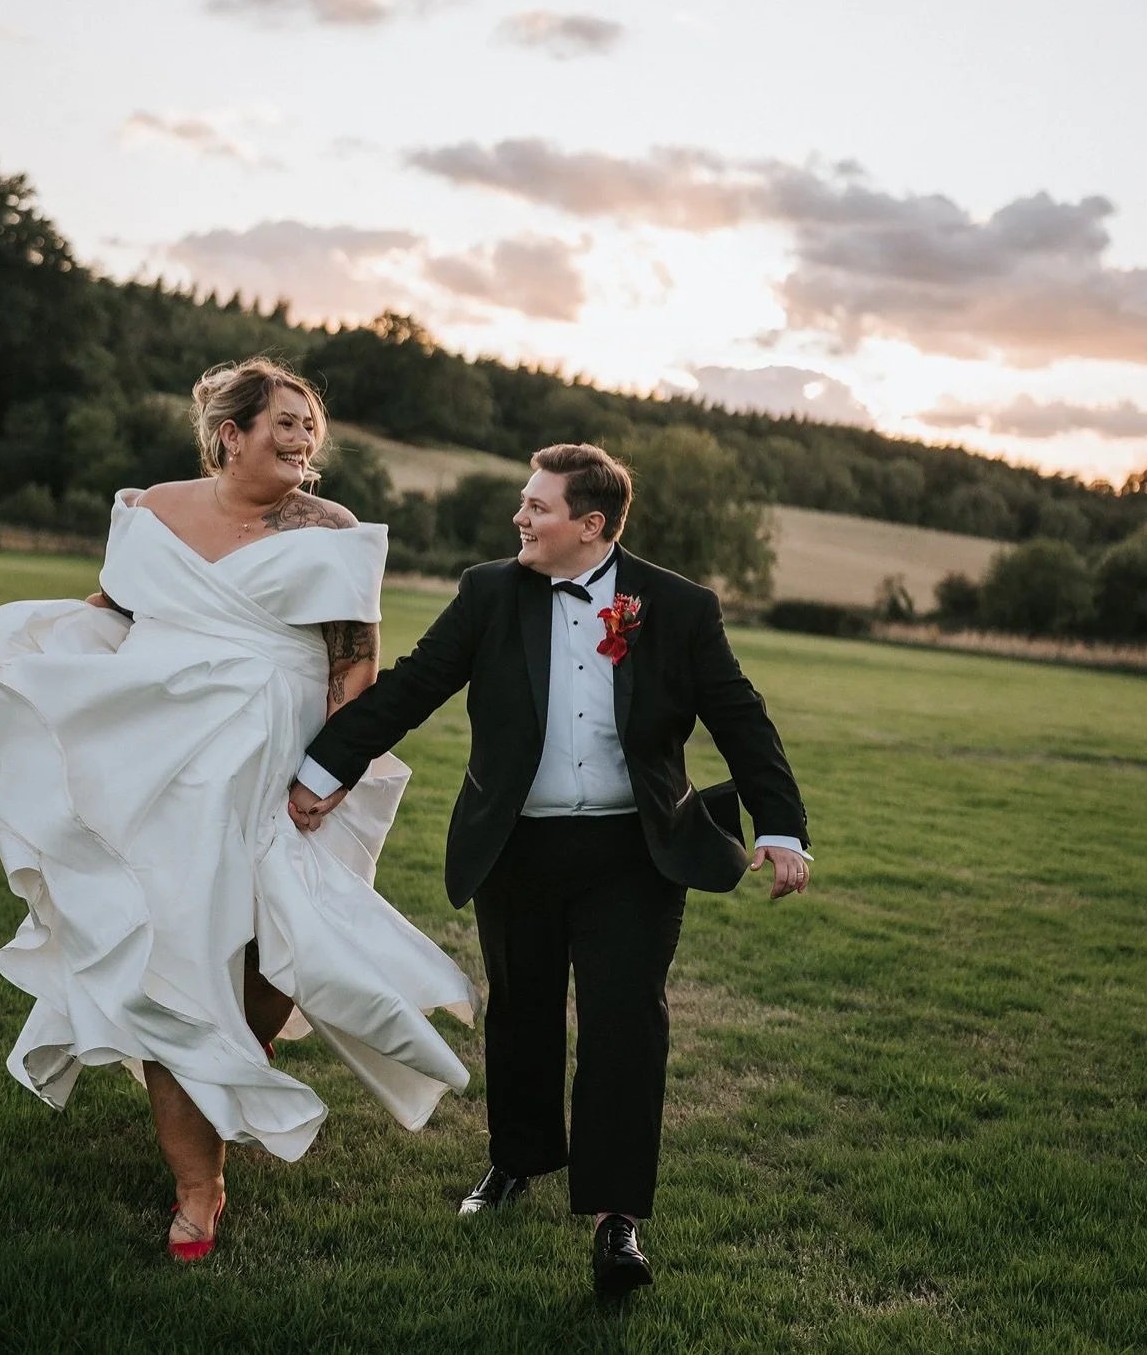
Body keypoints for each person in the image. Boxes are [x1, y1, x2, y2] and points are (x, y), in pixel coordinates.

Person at [0, 358, 475, 1261]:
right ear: (230, 434)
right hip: (159, 754)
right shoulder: (148, 511)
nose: (304, 439)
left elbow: (354, 665)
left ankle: (222, 1070)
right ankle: (197, 1183)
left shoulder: (327, 526)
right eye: (285, 423)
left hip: (276, 759)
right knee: (171, 946)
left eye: (309, 426)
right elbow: (113, 607)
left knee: (267, 956)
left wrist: (327, 775)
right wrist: (31, 655)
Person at [289, 441, 811, 1299]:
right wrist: (320, 771)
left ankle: (616, 1220)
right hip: (517, 845)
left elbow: (739, 717)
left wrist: (782, 827)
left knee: (623, 1024)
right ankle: (516, 1161)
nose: (519, 519)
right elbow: (411, 689)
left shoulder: (676, 606)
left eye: (537, 507)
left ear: (590, 525)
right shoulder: (490, 592)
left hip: (634, 854)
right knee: (522, 1012)